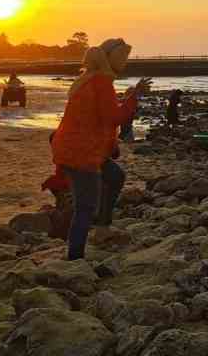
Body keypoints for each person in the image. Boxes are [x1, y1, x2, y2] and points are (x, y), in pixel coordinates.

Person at [50, 38, 151, 260]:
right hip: (81, 152)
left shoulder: (89, 78)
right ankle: (75, 257)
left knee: (115, 176)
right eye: (123, 57)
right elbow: (113, 117)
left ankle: (103, 227)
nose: (125, 62)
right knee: (85, 207)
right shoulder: (101, 81)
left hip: (75, 147)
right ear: (112, 59)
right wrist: (134, 98)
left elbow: (98, 117)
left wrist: (130, 97)